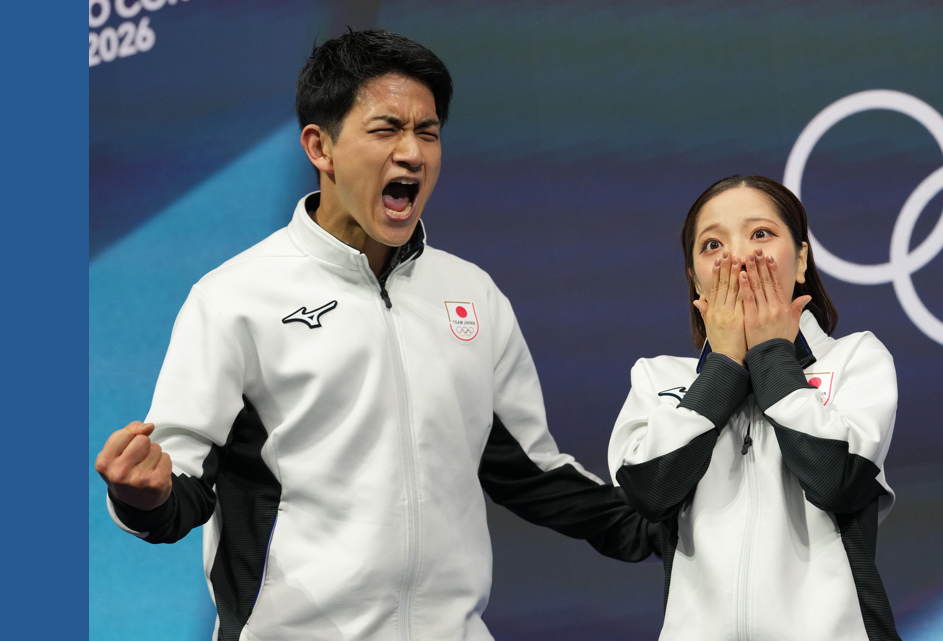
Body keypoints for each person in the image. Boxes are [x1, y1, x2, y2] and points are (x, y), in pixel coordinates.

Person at [94, 29, 655, 641]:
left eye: (429, 132)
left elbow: (531, 473)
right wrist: (141, 497)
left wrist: (667, 528)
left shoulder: (472, 294)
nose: (413, 153)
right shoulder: (234, 298)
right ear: (320, 146)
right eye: (386, 130)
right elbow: (181, 488)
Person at [608, 175, 901, 640]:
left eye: (760, 234)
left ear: (801, 259)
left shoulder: (856, 359)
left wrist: (770, 356)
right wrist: (723, 366)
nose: (739, 257)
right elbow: (650, 494)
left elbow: (837, 481)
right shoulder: (657, 378)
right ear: (694, 280)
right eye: (711, 245)